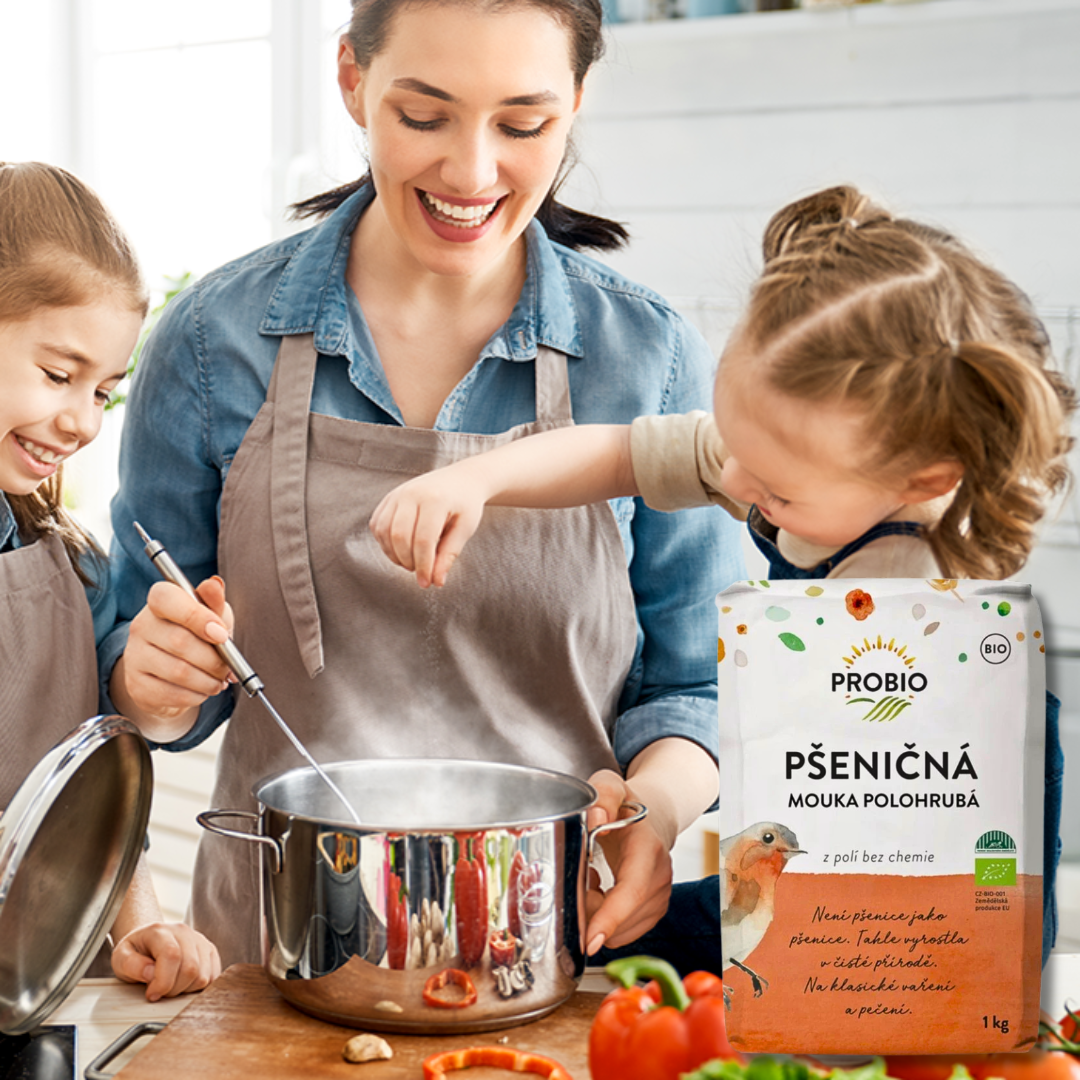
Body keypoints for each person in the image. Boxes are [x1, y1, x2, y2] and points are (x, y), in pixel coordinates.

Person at [101, 0, 745, 969]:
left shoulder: (647, 356)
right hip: (278, 962)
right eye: (424, 116)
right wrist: (149, 679)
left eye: (522, 125)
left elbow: (696, 692)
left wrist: (649, 818)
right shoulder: (210, 345)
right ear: (353, 80)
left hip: (556, 953)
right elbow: (141, 683)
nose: (473, 172)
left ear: (577, 100)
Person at [369, 183, 1076, 967]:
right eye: (732, 444)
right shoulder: (789, 454)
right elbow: (616, 454)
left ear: (921, 479)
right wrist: (477, 480)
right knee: (583, 946)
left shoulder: (925, 595)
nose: (735, 484)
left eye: (776, 492)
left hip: (940, 899)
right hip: (810, 863)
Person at [0, 161, 221, 999]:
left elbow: (83, 799)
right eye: (59, 375)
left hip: (39, 1005)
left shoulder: (70, 571)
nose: (84, 420)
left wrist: (143, 922)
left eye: (104, 390)